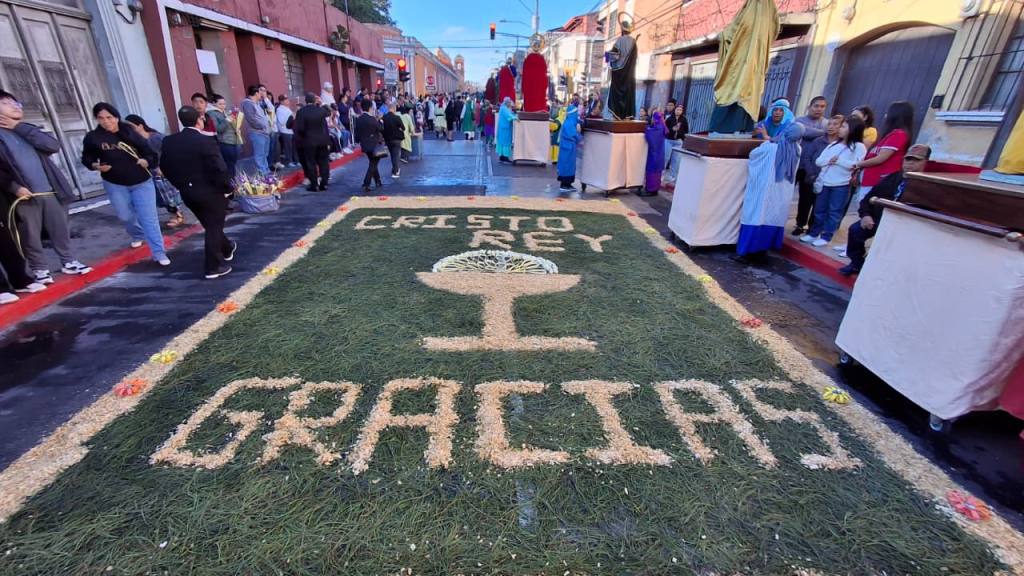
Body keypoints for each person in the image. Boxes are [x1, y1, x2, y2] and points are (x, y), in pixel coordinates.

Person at [0, 90, 91, 285]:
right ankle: (39, 269)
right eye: (8, 103)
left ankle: (69, 261)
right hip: (24, 195)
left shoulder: (26, 130)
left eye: (17, 104)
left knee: (60, 228)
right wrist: (14, 187)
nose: (16, 106)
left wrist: (18, 126)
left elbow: (52, 145)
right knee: (30, 234)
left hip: (50, 189)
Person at [82, 102, 169, 266]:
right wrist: (95, 166)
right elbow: (87, 158)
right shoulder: (93, 138)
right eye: (101, 118)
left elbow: (150, 153)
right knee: (125, 215)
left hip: (141, 181)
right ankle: (138, 234)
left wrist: (146, 161)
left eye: (109, 117)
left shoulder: (130, 132)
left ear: (116, 117)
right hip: (115, 183)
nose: (106, 121)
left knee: (149, 218)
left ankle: (159, 252)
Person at [160, 106, 236, 279]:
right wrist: (228, 189)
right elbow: (219, 168)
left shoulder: (169, 141)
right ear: (199, 121)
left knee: (211, 225)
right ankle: (213, 267)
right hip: (211, 192)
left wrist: (181, 185)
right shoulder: (205, 141)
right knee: (214, 227)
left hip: (188, 192)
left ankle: (227, 247)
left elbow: (165, 167)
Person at [840, 144, 931, 276]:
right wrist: (865, 215)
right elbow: (868, 198)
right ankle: (856, 264)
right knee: (855, 230)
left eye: (916, 160)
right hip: (878, 219)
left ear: (925, 162)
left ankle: (884, 271)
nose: (909, 164)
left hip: (902, 225)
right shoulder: (893, 177)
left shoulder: (926, 185)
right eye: (907, 159)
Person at [737, 99, 803, 257]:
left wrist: (766, 138)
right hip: (780, 196)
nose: (777, 113)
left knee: (756, 217)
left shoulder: (771, 148)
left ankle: (747, 252)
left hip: (762, 192)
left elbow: (754, 156)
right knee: (773, 218)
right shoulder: (798, 150)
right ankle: (763, 251)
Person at [799, 117, 866, 247]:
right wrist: (830, 161)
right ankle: (814, 233)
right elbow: (819, 161)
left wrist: (839, 161)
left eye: (844, 127)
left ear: (853, 129)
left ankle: (826, 236)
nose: (840, 129)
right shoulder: (833, 145)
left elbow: (856, 164)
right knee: (819, 210)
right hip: (825, 182)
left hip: (841, 185)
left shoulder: (858, 146)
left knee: (834, 211)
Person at [124, 114, 187, 229]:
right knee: (161, 198)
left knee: (170, 196)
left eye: (132, 127)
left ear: (140, 126)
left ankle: (178, 216)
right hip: (150, 174)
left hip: (164, 172)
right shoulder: (134, 142)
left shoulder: (155, 138)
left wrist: (166, 167)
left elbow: (170, 151)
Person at [792, 114, 843, 236]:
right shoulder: (818, 141)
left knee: (819, 206)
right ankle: (800, 224)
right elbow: (808, 157)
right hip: (811, 176)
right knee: (805, 202)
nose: (831, 127)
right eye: (829, 124)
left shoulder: (841, 145)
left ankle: (812, 229)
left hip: (828, 179)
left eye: (835, 124)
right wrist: (811, 173)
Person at [791, 97, 830, 236]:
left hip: (814, 168)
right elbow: (804, 132)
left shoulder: (826, 123)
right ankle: (799, 224)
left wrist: (823, 132)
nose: (819, 109)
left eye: (822, 106)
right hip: (796, 165)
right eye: (816, 106)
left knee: (808, 198)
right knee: (788, 195)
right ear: (809, 106)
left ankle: (806, 226)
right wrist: (824, 133)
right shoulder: (799, 121)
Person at [293, 92, 331, 191]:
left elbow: (300, 128)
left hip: (309, 141)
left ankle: (314, 184)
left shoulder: (301, 112)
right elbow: (329, 112)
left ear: (305, 101)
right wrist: (322, 103)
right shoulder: (320, 110)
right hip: (322, 140)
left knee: (311, 163)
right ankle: (324, 183)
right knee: (323, 162)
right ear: (315, 100)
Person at [241, 85, 270, 175]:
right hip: (258, 133)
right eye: (260, 93)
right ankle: (262, 172)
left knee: (264, 153)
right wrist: (262, 126)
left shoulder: (257, 103)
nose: (261, 95)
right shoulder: (247, 103)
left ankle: (266, 170)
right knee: (259, 154)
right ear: (256, 93)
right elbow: (251, 119)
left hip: (264, 132)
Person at [354, 103, 384, 192]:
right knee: (373, 164)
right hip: (374, 144)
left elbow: (357, 132)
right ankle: (366, 183)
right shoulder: (372, 119)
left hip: (364, 144)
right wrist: (380, 120)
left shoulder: (359, 119)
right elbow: (380, 128)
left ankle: (378, 181)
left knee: (372, 162)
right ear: (370, 108)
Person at [556, 99, 581, 191]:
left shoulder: (568, 121)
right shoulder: (570, 123)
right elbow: (574, 135)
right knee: (567, 166)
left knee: (566, 165)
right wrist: (579, 134)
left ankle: (567, 184)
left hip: (567, 148)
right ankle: (565, 185)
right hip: (568, 148)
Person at [642, 111, 668, 196]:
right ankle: (655, 189)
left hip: (654, 154)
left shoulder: (658, 128)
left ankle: (650, 190)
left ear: (655, 118)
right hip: (659, 154)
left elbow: (650, 136)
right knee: (657, 173)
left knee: (652, 172)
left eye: (653, 117)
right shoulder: (661, 126)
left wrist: (646, 129)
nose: (652, 119)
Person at [381, 105, 405, 179]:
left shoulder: (384, 117)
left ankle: (394, 169)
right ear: (394, 109)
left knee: (392, 155)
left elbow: (381, 127)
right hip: (396, 139)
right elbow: (403, 128)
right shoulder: (397, 117)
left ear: (388, 109)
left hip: (388, 139)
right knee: (396, 155)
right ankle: (395, 171)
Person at [275, 95, 297, 169]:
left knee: (293, 147)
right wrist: (292, 117)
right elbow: (282, 121)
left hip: (291, 130)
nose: (288, 100)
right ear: (281, 101)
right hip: (285, 131)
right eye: (285, 99)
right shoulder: (279, 110)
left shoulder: (287, 108)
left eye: (287, 99)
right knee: (288, 147)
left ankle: (295, 160)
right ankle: (289, 162)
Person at [496, 97, 518, 163]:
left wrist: (514, 115)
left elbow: (510, 114)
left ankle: (502, 157)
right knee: (505, 143)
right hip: (505, 129)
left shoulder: (503, 108)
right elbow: (509, 115)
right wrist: (516, 118)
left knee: (502, 143)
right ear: (507, 102)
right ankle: (505, 157)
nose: (510, 104)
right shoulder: (504, 108)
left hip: (503, 128)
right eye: (509, 102)